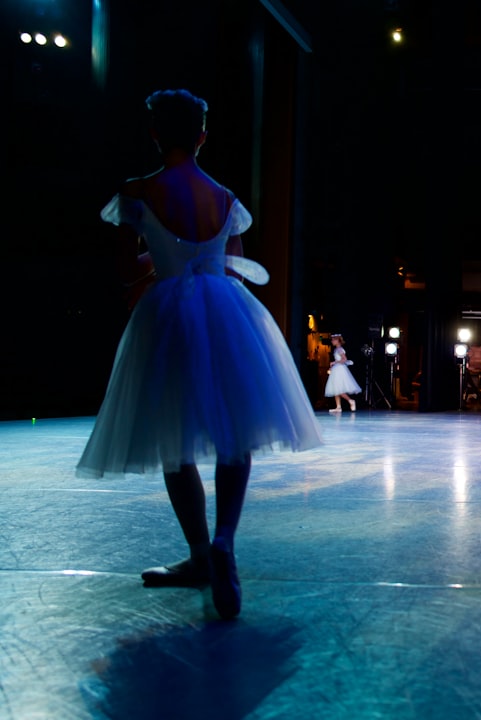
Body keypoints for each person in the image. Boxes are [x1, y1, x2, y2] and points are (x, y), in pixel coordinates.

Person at [76, 89, 323, 619]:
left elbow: (127, 271)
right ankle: (225, 540)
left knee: (175, 439)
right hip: (225, 314)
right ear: (203, 137)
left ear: (154, 134)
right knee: (235, 434)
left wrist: (159, 254)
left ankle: (196, 554)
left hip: (168, 314)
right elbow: (233, 265)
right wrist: (196, 255)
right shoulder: (226, 199)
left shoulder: (138, 191)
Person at [324, 333, 361, 412]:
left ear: (338, 340)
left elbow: (344, 359)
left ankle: (350, 401)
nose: (332, 341)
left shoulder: (340, 349)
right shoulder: (336, 349)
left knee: (338, 388)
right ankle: (338, 407)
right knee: (335, 388)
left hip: (339, 370)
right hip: (336, 369)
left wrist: (335, 362)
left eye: (333, 340)